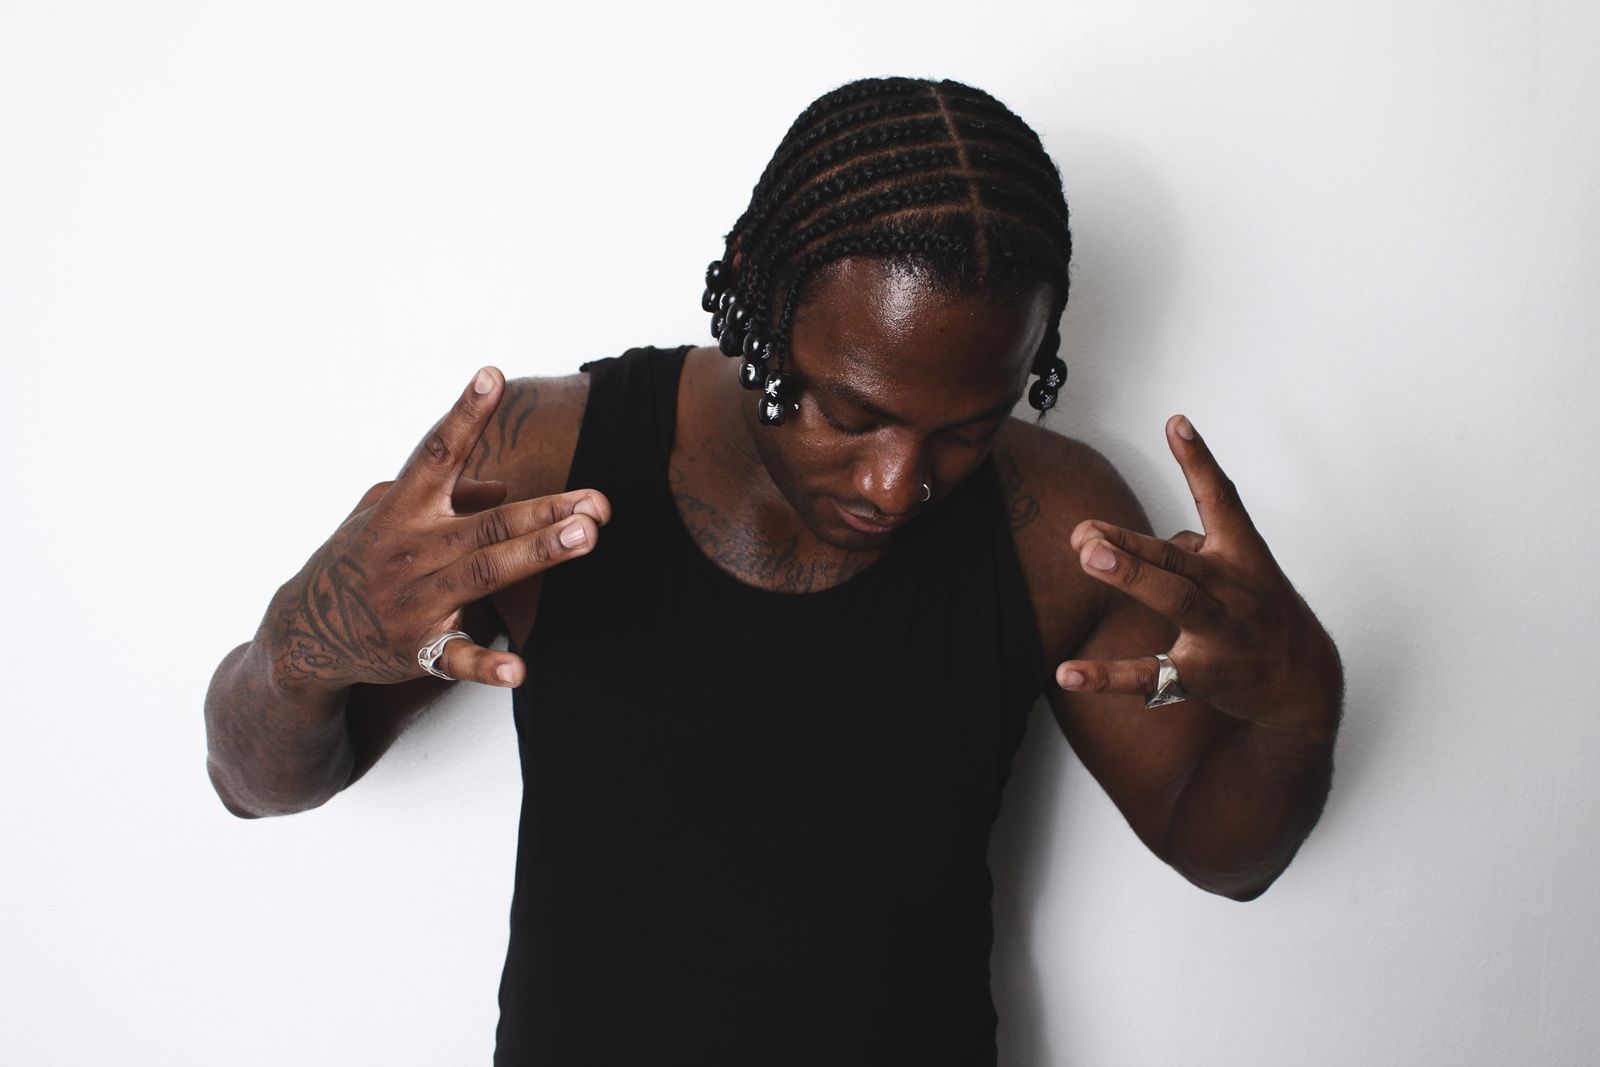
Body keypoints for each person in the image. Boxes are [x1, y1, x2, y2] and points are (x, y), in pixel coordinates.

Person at [205, 76, 1342, 1065]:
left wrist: (1297, 708)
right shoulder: (540, 461)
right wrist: (301, 647)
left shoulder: (1058, 527)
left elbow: (1222, 853)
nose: (898, 484)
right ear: (758, 286)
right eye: (851, 411)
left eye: (968, 428)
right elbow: (255, 784)